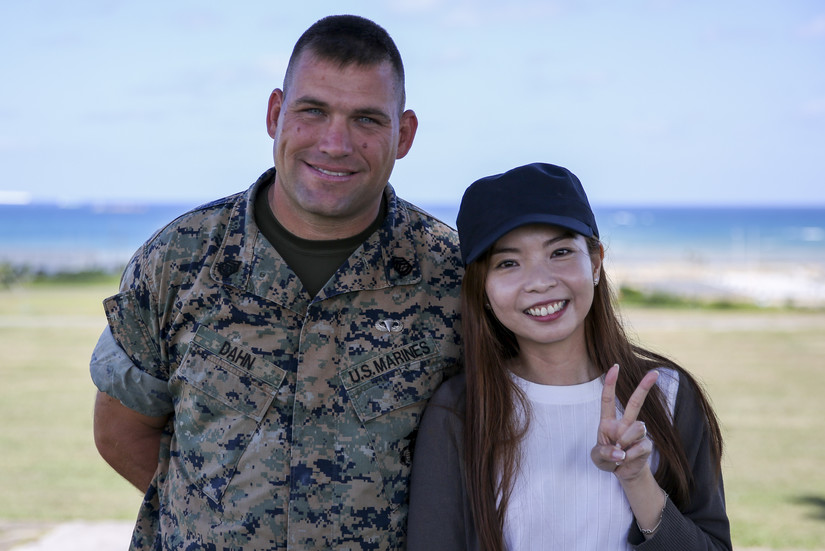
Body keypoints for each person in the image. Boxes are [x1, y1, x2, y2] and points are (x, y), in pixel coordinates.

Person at [90, 15, 463, 550]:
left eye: (366, 119)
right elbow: (121, 431)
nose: (336, 143)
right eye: (313, 111)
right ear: (274, 114)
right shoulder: (180, 259)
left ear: (403, 135)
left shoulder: (452, 277)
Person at [406, 163, 731, 550]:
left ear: (595, 262)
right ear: (483, 290)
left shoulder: (667, 394)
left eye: (560, 252)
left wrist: (636, 478)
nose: (541, 281)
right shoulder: (459, 410)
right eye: (508, 263)